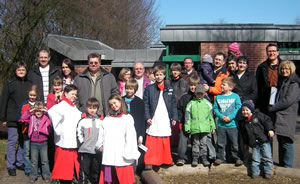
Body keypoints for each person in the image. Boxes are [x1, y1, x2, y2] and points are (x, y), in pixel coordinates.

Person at [97, 94, 140, 184]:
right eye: (111, 104)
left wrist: (128, 150)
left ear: (120, 102)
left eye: (115, 103)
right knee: (110, 178)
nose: (113, 106)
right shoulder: (107, 119)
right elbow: (101, 133)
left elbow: (131, 135)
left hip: (122, 152)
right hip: (109, 152)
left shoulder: (127, 118)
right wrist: (100, 144)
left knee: (124, 177)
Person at [0, 61, 32, 176]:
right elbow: (3, 101)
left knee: (23, 141)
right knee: (13, 141)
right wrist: (3, 118)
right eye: (19, 70)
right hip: (13, 117)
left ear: (26, 71)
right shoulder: (10, 83)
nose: (21, 72)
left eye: (23, 70)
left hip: (25, 118)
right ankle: (10, 165)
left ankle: (20, 162)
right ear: (15, 71)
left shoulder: (29, 83)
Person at [143, 65, 178, 170]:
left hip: (165, 116)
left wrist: (174, 117)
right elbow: (146, 104)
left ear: (164, 75)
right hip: (154, 116)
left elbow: (173, 104)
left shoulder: (169, 88)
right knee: (152, 138)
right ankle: (150, 161)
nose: (158, 77)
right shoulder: (149, 89)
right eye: (157, 75)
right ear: (154, 75)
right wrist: (147, 116)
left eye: (161, 75)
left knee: (164, 138)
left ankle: (166, 159)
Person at [268, 60, 300, 168]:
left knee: (287, 142)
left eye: (287, 69)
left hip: (287, 116)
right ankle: (282, 164)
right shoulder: (283, 81)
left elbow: (288, 100)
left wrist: (273, 107)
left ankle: (288, 167)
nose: (284, 70)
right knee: (281, 140)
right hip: (281, 115)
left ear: (291, 70)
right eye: (282, 69)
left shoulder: (293, 83)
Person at [48, 85, 82, 183]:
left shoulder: (73, 105)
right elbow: (51, 112)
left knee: (72, 165)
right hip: (65, 139)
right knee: (64, 167)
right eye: (72, 94)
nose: (74, 96)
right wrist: (58, 130)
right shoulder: (61, 105)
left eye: (75, 94)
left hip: (73, 139)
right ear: (66, 94)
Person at [239, 100, 274, 179]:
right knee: (255, 158)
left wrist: (270, 129)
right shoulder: (244, 122)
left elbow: (267, 121)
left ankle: (268, 172)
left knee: (267, 157)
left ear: (251, 110)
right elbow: (245, 134)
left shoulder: (259, 116)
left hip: (264, 140)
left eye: (247, 110)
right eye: (243, 110)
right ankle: (255, 173)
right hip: (253, 143)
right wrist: (246, 143)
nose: (245, 112)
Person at [213, 77, 242, 166]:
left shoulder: (235, 96)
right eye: (222, 84)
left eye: (224, 85)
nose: (221, 86)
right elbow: (215, 108)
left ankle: (236, 157)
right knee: (220, 142)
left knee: (234, 143)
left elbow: (238, 107)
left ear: (230, 87)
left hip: (232, 124)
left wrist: (230, 117)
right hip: (221, 124)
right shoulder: (218, 97)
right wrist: (221, 116)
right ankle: (220, 157)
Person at [20, 101, 52, 183]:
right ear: (34, 111)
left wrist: (46, 112)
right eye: (36, 111)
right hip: (34, 142)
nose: (38, 112)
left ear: (43, 111)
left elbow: (51, 121)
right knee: (34, 161)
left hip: (44, 142)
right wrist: (29, 111)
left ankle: (46, 175)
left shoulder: (46, 118)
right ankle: (33, 176)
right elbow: (23, 118)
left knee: (44, 161)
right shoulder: (32, 118)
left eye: (40, 110)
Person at [185, 84, 216, 167]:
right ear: (195, 93)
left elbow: (211, 117)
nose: (199, 95)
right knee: (195, 143)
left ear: (204, 94)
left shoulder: (207, 103)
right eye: (198, 93)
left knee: (204, 144)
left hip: (205, 128)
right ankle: (195, 158)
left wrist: (212, 127)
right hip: (195, 128)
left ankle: (204, 158)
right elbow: (187, 117)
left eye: (201, 94)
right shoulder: (191, 103)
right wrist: (187, 127)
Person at [77, 98, 104, 184]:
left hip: (96, 150)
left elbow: (103, 134)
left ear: (97, 109)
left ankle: (95, 181)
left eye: (94, 108)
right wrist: (81, 142)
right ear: (86, 108)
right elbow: (79, 132)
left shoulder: (100, 121)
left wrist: (101, 145)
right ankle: (83, 181)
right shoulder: (83, 121)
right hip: (85, 149)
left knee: (95, 169)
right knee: (84, 168)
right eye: (90, 108)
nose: (92, 110)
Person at [122, 79, 145, 173]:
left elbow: (141, 119)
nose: (129, 91)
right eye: (127, 88)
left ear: (135, 90)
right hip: (123, 129)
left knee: (134, 149)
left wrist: (141, 135)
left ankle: (134, 170)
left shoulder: (139, 102)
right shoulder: (121, 100)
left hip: (135, 129)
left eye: (131, 89)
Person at [176, 75, 200, 166]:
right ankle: (181, 157)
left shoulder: (202, 97)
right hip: (186, 123)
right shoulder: (184, 97)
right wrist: (181, 119)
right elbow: (179, 108)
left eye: (195, 85)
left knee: (197, 141)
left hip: (198, 124)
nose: (193, 87)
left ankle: (197, 157)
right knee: (182, 139)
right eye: (191, 85)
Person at [18, 85, 39, 176]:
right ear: (28, 94)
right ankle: (27, 168)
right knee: (26, 151)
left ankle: (36, 168)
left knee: (35, 151)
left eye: (34, 95)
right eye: (31, 95)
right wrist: (22, 120)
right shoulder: (24, 104)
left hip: (36, 133)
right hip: (26, 131)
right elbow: (18, 116)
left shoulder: (39, 104)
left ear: (37, 95)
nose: (32, 97)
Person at [256, 44, 281, 114]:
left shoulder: (284, 65)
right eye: (269, 51)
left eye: (273, 51)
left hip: (280, 95)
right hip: (266, 98)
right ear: (266, 53)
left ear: (277, 52)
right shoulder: (261, 67)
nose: (271, 53)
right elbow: (258, 85)